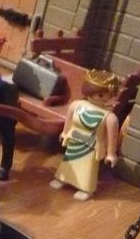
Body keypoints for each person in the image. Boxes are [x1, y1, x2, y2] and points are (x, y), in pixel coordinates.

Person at [50, 69, 120, 201]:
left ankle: (86, 188)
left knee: (87, 168)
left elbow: (112, 137)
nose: (101, 97)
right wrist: (65, 133)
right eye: (98, 94)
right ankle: (62, 178)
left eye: (104, 95)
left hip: (92, 146)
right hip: (75, 140)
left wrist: (111, 154)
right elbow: (69, 122)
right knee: (68, 161)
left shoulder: (110, 117)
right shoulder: (76, 105)